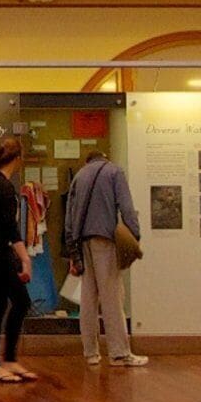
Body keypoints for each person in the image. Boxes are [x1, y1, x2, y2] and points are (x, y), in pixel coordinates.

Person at [60, 137, 143, 369]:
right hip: (104, 240)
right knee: (112, 296)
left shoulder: (79, 176)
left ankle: (91, 352)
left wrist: (71, 247)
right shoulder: (114, 172)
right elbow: (126, 207)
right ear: (104, 157)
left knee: (88, 297)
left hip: (81, 242)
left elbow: (69, 216)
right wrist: (135, 236)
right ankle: (118, 353)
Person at [0, 136, 35, 383]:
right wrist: (25, 260)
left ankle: (3, 360)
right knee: (18, 302)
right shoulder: (2, 186)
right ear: (18, 159)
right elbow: (10, 228)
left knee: (1, 306)